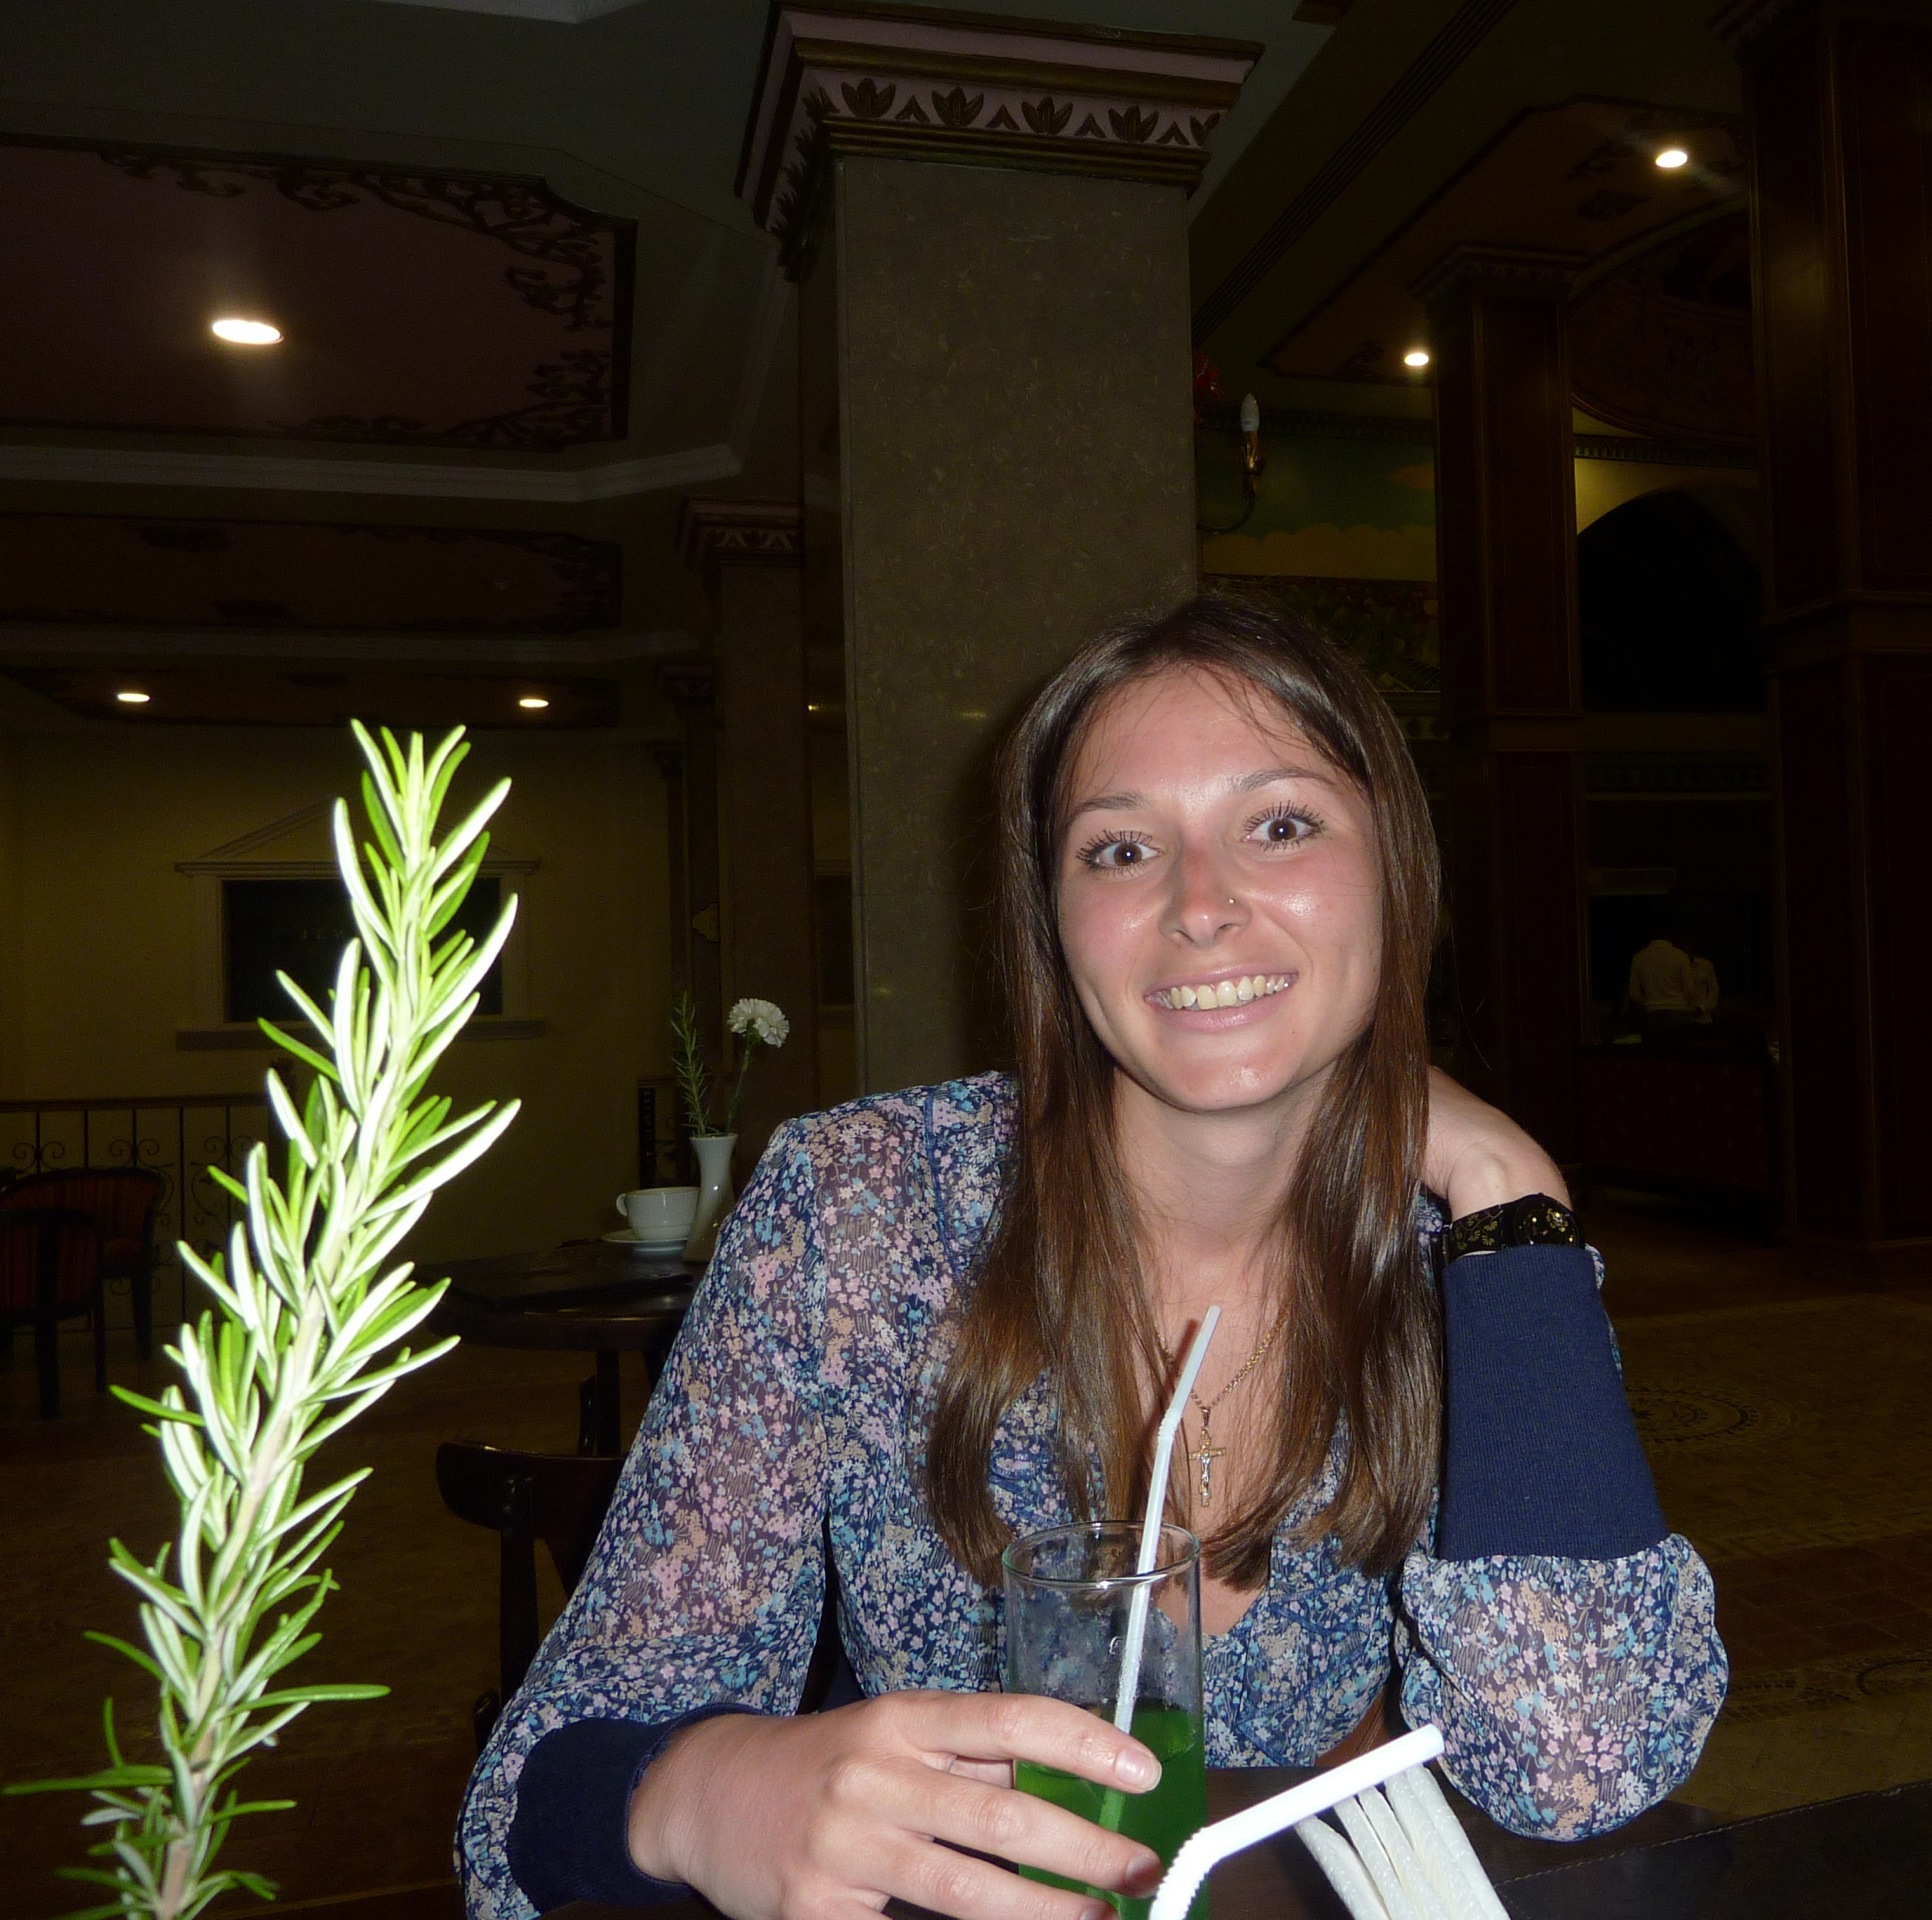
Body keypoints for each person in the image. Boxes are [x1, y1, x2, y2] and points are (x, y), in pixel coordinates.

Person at [457, 597, 1726, 1918]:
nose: (1200, 905)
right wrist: (702, 1790)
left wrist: (1509, 1191)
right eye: (1120, 849)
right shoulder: (862, 1211)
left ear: (1397, 872)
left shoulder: (1474, 1273)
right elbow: (518, 1814)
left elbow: (1578, 1769)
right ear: (1055, 923)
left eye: (1280, 826)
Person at [1627, 916, 1710, 1039]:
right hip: (1678, 1011)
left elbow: (1634, 993)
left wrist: (1649, 1002)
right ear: (1670, 933)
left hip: (1652, 1013)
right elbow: (1690, 990)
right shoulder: (1680, 956)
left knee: (1657, 1049)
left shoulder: (1639, 957)